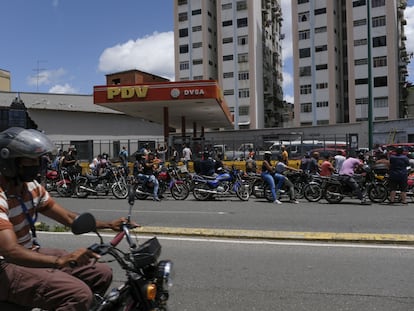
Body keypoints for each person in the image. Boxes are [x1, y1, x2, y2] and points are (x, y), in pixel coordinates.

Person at [0, 127, 133, 311]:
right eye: (30, 160)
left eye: (38, 160)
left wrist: (109, 225)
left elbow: (70, 218)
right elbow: (11, 251)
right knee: (78, 295)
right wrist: (61, 261)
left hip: (30, 252)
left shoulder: (31, 187)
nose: (37, 165)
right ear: (10, 162)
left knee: (101, 273)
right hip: (5, 266)